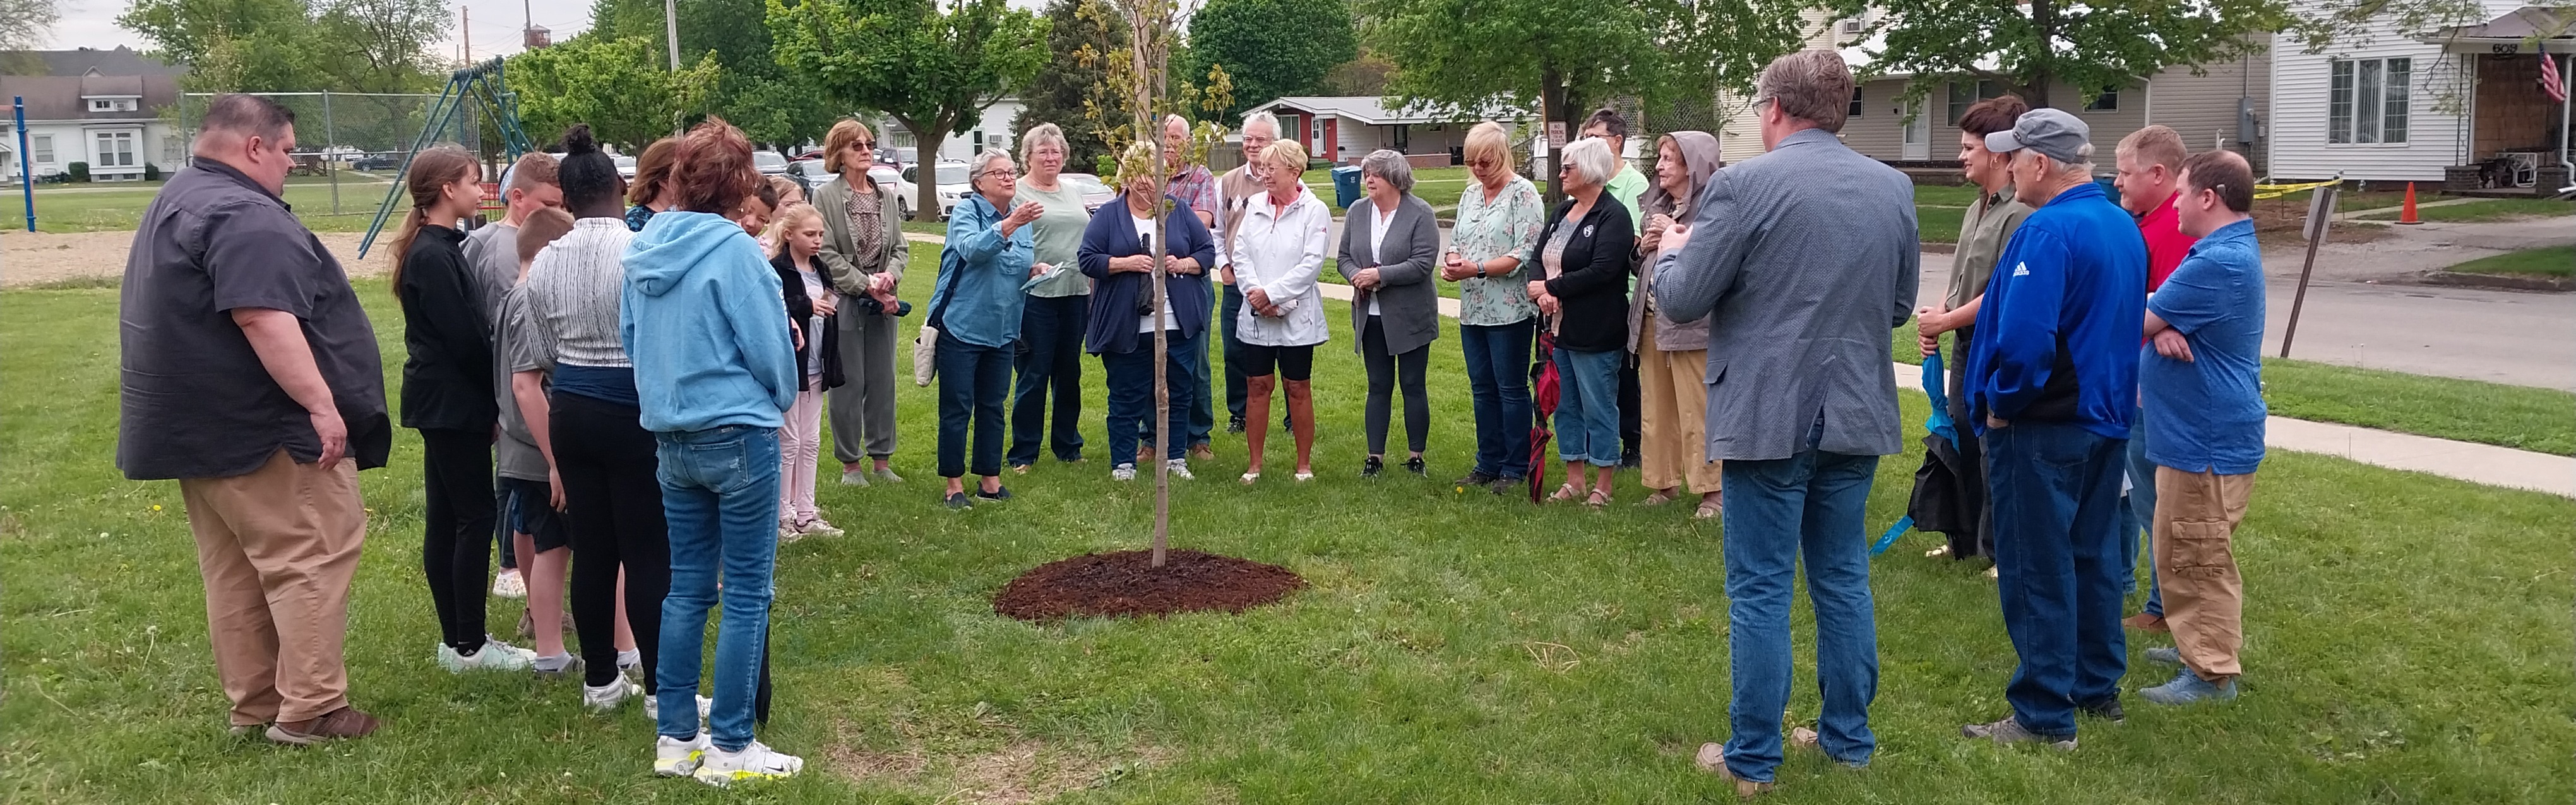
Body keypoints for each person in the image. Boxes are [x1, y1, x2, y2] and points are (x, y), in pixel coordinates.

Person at [1652, 51, 1917, 793]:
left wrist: (1670, 254)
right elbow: (1897, 306)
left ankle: (1754, 758)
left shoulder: (1742, 185)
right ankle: (1847, 741)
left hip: (1769, 414)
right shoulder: (1892, 187)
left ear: (1773, 109)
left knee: (1762, 588)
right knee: (1842, 579)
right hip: (1855, 410)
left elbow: (1684, 297)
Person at [119, 93, 390, 744]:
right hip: (261, 431)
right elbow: (262, 315)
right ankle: (314, 709)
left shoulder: (179, 198)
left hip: (198, 431)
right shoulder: (244, 213)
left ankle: (259, 702)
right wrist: (321, 406)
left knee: (236, 568)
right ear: (253, 147)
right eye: (290, 151)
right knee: (310, 555)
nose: (292, 164)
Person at [622, 117, 804, 785]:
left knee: (687, 590)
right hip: (737, 434)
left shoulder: (642, 247)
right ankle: (729, 746)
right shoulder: (735, 253)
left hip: (672, 436)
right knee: (749, 592)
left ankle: (676, 739)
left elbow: (632, 339)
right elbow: (771, 354)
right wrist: (780, 393)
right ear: (739, 186)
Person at [1959, 107, 2147, 750]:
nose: (2009, 168)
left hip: (2043, 428)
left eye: (2015, 157)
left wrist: (2004, 403)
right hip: (2104, 420)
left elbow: (2027, 338)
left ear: (2039, 163)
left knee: (2037, 566)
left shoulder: (2045, 232)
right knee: (2092, 557)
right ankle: (2096, 688)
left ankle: (2043, 714)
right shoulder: (2122, 224)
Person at [524, 124, 660, 715]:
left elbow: (542, 348)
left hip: (570, 405)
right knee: (648, 549)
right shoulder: (642, 250)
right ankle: (661, 686)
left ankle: (600, 680)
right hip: (629, 401)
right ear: (620, 189)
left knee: (594, 545)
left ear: (570, 198)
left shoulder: (545, 258)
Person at [389, 145, 539, 674]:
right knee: (472, 517)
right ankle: (470, 644)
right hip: (452, 404)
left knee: (450, 515)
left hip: (446, 402)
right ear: (448, 189)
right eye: (475, 182)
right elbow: (466, 340)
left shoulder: (443, 246)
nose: (484, 191)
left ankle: (457, 639)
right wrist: (497, 397)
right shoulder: (432, 254)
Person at [2134, 150, 2265, 706]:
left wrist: (2154, 322)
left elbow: (2137, 317)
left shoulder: (2220, 262)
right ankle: (2195, 644)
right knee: (2181, 546)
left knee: (2200, 554)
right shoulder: (2216, 252)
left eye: (2183, 192)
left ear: (2208, 197)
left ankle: (2210, 673)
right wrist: (2162, 323)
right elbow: (2155, 312)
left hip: (2206, 440)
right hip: (2193, 436)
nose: (2177, 203)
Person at [1912, 95, 2036, 564]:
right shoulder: (1975, 208)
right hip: (1966, 343)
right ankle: (1965, 543)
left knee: (1994, 451)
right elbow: (1963, 279)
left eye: (1970, 147)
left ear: (2000, 154)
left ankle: (2002, 553)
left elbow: (2003, 294)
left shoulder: (2021, 213)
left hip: (1998, 348)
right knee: (1962, 440)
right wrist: (1938, 317)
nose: (1961, 155)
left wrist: (1946, 320)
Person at [1083, 142, 1220, 483]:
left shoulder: (1178, 209)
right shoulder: (1109, 215)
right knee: (1127, 394)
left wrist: (1184, 264)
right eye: (1140, 173)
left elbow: (1207, 252)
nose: (1148, 181)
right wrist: (1123, 264)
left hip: (1177, 321)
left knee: (1178, 390)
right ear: (1126, 177)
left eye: (1155, 173)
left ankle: (1175, 457)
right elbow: (1087, 258)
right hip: (1128, 323)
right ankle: (1124, 463)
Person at [463, 151, 563, 600]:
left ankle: (520, 579)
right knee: (524, 501)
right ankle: (510, 569)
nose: (558, 213)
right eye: (548, 204)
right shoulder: (496, 249)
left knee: (523, 504)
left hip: (519, 401)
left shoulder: (515, 241)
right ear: (517, 197)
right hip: (519, 405)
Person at [2113, 124, 2195, 631]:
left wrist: (2162, 322)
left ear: (2158, 173)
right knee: (2143, 497)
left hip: (2153, 392)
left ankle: (2164, 608)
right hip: (2139, 380)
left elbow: (2170, 304)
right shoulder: (2149, 224)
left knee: (2155, 503)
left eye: (2125, 173)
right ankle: (2156, 599)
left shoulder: (2172, 230)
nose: (2117, 183)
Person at [1524, 136, 1633, 507]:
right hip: (1556, 330)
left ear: (1589, 171)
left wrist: (1554, 287)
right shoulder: (1560, 212)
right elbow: (1538, 257)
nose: (1561, 173)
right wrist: (1542, 291)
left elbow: (1602, 270)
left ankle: (1604, 481)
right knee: (1565, 404)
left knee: (1598, 404)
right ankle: (1575, 480)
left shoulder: (1613, 217)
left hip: (1595, 330)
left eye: (1567, 167)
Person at [932, 149, 1043, 508]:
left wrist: (1033, 271)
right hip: (962, 326)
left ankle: (990, 480)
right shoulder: (966, 212)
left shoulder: (1019, 218)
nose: (1010, 178)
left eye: (1012, 172)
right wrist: (1009, 226)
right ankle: (954, 484)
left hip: (1003, 329)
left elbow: (1012, 263)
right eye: (1000, 174)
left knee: (994, 406)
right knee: (957, 406)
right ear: (979, 183)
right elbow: (973, 250)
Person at [497, 206, 581, 676]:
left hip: (517, 444)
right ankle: (551, 650)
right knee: (554, 545)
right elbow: (527, 385)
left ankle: (540, 626)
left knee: (530, 531)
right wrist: (557, 459)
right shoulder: (530, 299)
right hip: (536, 448)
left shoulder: (512, 295)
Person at [1441, 121, 1544, 492]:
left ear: (1501, 156)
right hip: (1473, 309)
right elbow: (1455, 240)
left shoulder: (1524, 194)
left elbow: (1523, 253)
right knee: (1481, 387)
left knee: (1510, 388)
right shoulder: (1471, 196)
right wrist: (1453, 262)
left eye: (1484, 162)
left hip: (1510, 310)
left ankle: (1515, 467)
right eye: (1471, 163)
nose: (1478, 170)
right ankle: (1487, 462)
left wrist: (1478, 268)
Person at [1630, 130, 1723, 519]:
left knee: (1696, 408)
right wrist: (1645, 247)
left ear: (1694, 164)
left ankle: (1712, 491)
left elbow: (1717, 257)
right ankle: (1662, 482)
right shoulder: (1657, 203)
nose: (1659, 166)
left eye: (1669, 158)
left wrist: (1678, 235)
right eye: (1661, 157)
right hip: (1652, 316)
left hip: (1693, 323)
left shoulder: (1715, 205)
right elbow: (1638, 265)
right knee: (1656, 404)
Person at [814, 120, 912, 487]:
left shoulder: (885, 195)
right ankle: (850, 465)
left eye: (869, 144)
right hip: (845, 299)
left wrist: (889, 276)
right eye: (856, 146)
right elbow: (824, 250)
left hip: (884, 300)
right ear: (839, 153)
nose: (866, 151)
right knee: (849, 382)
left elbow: (901, 248)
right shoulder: (825, 196)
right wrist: (863, 284)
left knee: (883, 380)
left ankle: (882, 460)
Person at [1230, 140, 1331, 483]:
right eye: (1263, 167)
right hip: (1256, 311)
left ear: (1295, 171)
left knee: (1297, 386)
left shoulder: (1314, 210)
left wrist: (1274, 295)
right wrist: (1256, 295)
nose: (1264, 173)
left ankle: (1304, 465)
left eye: (1272, 168)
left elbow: (1312, 264)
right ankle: (1254, 464)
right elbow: (1240, 253)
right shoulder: (1255, 204)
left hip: (1296, 314)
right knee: (1257, 385)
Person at [1342, 149, 1442, 478]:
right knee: (1378, 385)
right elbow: (1343, 256)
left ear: (1396, 179)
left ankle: (1416, 457)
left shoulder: (1420, 213)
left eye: (1377, 174)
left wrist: (1380, 276)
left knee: (1413, 384)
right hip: (1369, 315)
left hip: (1411, 314)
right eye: (1367, 173)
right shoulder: (1357, 211)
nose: (1369, 179)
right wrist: (1357, 274)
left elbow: (1423, 263)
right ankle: (1375, 458)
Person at [1008, 123, 1094, 471]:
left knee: (1069, 372)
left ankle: (1068, 447)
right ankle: (1024, 453)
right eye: (1042, 152)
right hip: (1036, 296)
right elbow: (1007, 239)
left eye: (1056, 151)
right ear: (1028, 157)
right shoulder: (1016, 193)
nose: (1050, 157)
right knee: (1034, 372)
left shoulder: (1072, 191)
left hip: (1075, 292)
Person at [770, 201, 844, 539]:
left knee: (811, 441)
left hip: (817, 364)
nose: (817, 240)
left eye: (821, 234)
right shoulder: (778, 271)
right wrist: (805, 306)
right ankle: (781, 515)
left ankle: (806, 513)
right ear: (789, 235)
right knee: (789, 441)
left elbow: (830, 313)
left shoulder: (821, 269)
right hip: (790, 368)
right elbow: (774, 311)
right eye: (809, 234)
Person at [1582, 108, 1648, 470]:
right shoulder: (1588, 182)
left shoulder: (1633, 185)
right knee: (1595, 376)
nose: (1589, 145)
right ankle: (1596, 442)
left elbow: (1633, 240)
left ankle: (1633, 445)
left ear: (1617, 142)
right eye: (1586, 139)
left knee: (1624, 374)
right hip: (1591, 294)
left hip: (1624, 294)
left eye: (1597, 139)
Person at [1214, 111, 1282, 435]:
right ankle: (1239, 413)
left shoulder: (1286, 179)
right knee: (1235, 350)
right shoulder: (1227, 181)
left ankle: (1290, 416)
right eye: (1249, 139)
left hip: (1277, 281)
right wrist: (1224, 266)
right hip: (1236, 283)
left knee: (1285, 349)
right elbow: (1216, 229)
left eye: (1261, 140)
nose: (1253, 145)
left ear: (1275, 143)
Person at [1160, 114, 1222, 461]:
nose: (1170, 144)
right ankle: (1152, 437)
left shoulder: (1200, 176)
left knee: (1194, 359)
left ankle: (1199, 437)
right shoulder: (1144, 173)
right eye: (1165, 137)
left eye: (1176, 137)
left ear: (1188, 142)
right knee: (1150, 358)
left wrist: (1156, 221)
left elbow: (1203, 222)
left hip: (1190, 279)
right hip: (1148, 280)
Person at [625, 138, 678, 232]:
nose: (692, 180)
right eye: (684, 174)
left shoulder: (687, 216)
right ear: (663, 180)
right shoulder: (635, 223)